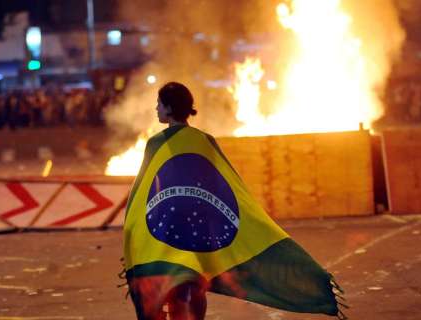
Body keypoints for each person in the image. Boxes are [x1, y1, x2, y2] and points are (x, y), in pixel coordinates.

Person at [124, 82, 346, 320]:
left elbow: (143, 189)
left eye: (158, 104)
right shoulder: (205, 141)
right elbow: (225, 184)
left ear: (168, 107)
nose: (156, 109)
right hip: (199, 230)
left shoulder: (157, 143)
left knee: (163, 287)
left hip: (167, 233)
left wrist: (133, 227)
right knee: (193, 282)